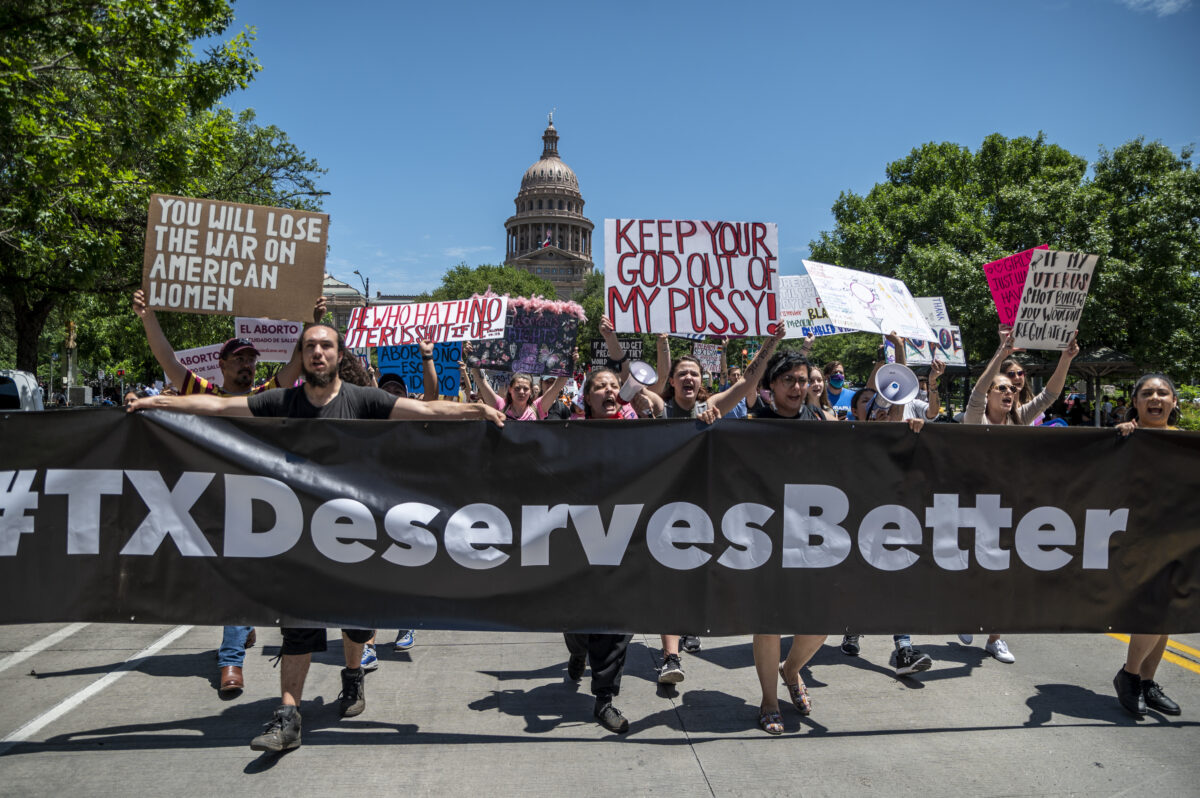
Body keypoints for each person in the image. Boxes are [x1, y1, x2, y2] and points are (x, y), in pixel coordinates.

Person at [128, 323, 505, 752]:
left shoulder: (364, 400)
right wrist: (156, 403)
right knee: (298, 628)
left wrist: (477, 411)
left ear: (338, 352)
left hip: (355, 538)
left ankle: (352, 676)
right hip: (302, 541)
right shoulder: (282, 400)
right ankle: (288, 715)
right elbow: (218, 407)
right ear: (302, 356)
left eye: (326, 345)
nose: (318, 353)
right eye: (310, 347)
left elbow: (427, 412)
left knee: (356, 626)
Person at [132, 289, 325, 696]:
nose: (247, 364)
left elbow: (294, 364)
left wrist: (311, 319)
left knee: (244, 574)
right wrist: (149, 316)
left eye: (251, 359)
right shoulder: (202, 392)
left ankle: (230, 659)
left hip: (264, 503)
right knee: (234, 575)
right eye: (239, 358)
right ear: (221, 363)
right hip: (214, 502)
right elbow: (167, 357)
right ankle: (236, 644)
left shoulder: (268, 394)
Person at [958, 326, 1080, 663]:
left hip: (1010, 506)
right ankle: (969, 613)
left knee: (1004, 571)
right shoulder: (974, 417)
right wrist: (1001, 352)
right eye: (1002, 388)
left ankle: (994, 637)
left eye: (1012, 388)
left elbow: (1051, 395)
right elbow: (978, 391)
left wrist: (1065, 359)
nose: (1008, 392)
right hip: (973, 507)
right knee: (976, 569)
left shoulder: (1020, 418)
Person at [562, 367, 662, 733]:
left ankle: (604, 700)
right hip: (580, 538)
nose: (609, 390)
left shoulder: (637, 429)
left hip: (625, 537)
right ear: (586, 398)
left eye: (614, 386)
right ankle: (577, 649)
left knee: (617, 625)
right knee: (578, 621)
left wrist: (651, 415)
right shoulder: (569, 432)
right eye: (600, 386)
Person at [744, 350, 828, 733]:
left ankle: (791, 671)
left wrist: (905, 423)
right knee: (769, 621)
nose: (798, 387)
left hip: (812, 532)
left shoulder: (822, 421)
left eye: (803, 380)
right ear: (771, 386)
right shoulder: (753, 423)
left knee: (821, 619)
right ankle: (768, 700)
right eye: (789, 380)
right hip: (764, 533)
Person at [1112, 373, 1183, 719]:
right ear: (1136, 402)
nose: (1155, 398)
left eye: (1162, 393)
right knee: (1156, 609)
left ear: (1173, 402)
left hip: (1180, 540)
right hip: (1137, 539)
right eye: (1147, 393)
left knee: (1169, 613)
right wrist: (1122, 442)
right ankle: (1129, 675)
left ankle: (1146, 682)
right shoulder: (1125, 440)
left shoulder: (1188, 443)